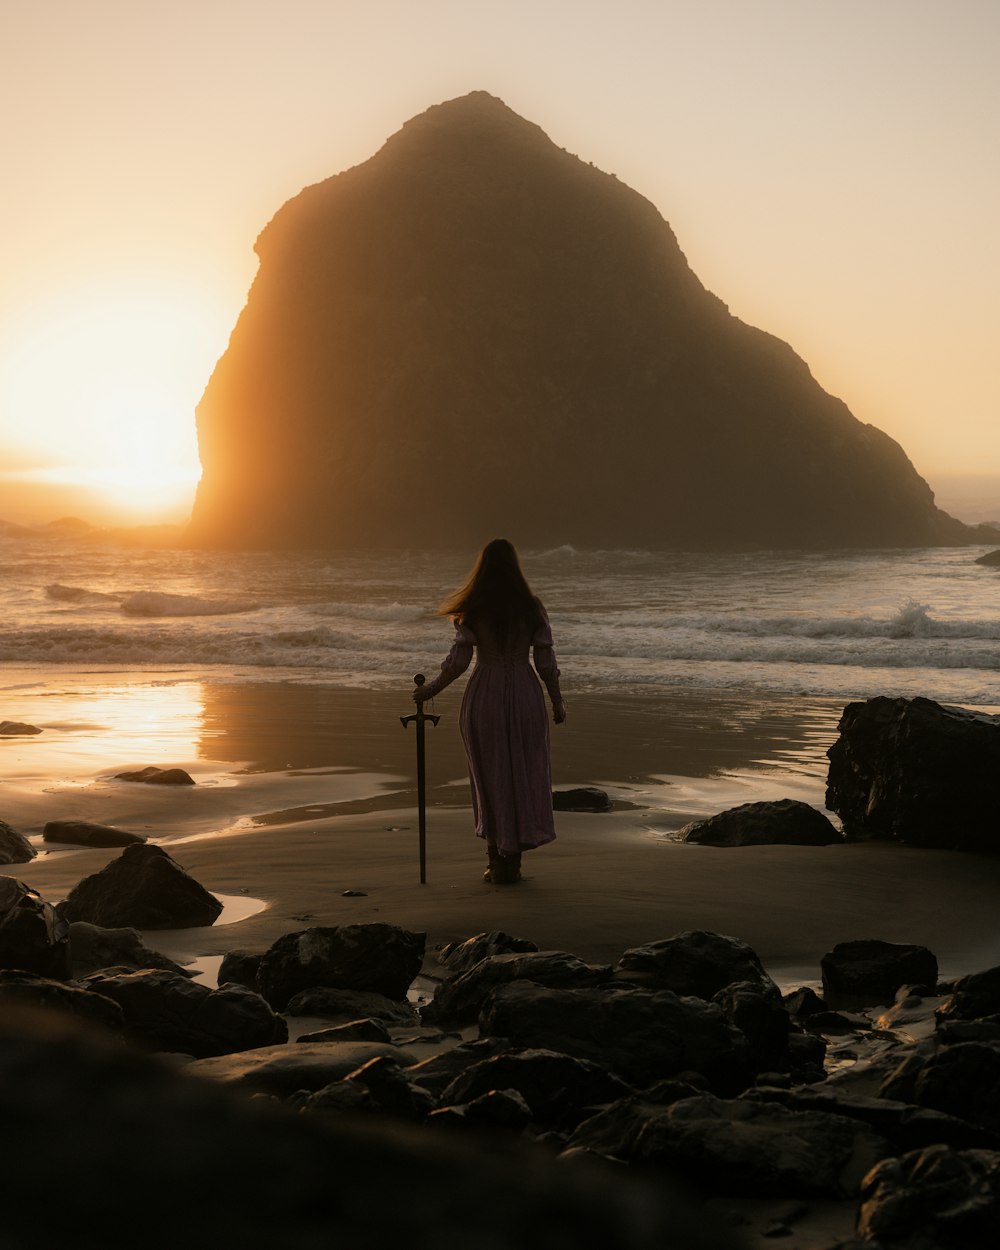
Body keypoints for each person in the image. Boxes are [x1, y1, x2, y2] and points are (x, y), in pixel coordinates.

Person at [413, 538, 566, 884]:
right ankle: (513, 860)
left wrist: (428, 691)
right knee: (523, 774)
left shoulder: (475, 609)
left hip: (485, 698)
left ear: (482, 569)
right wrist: (557, 700)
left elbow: (458, 664)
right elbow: (545, 662)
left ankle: (496, 858)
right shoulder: (531, 608)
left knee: (490, 775)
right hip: (526, 696)